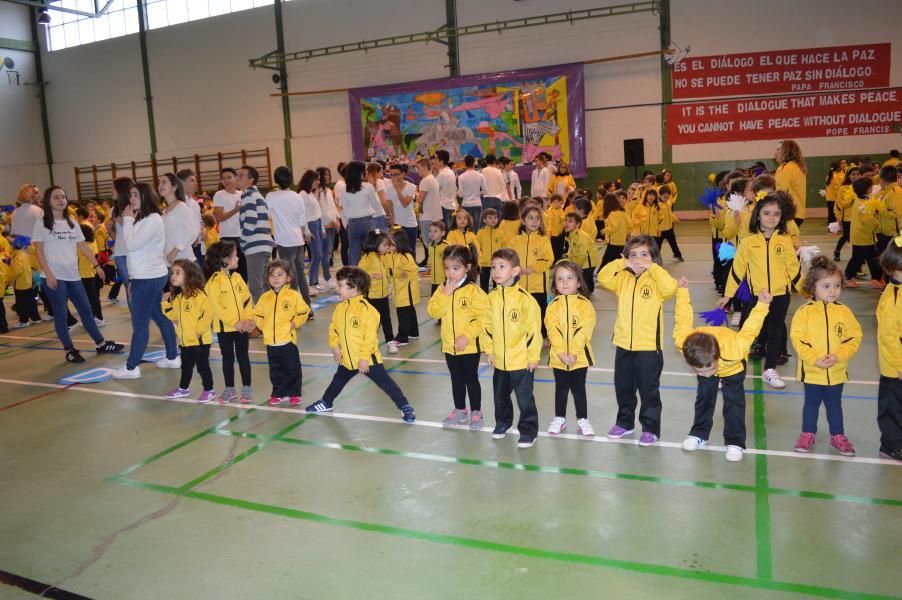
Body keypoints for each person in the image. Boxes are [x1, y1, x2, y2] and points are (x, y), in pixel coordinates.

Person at [674, 277, 771, 462]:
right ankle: (699, 434)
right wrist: (682, 291)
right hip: (710, 355)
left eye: (707, 370)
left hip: (732, 367)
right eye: (697, 371)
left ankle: (735, 442)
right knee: (704, 397)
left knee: (734, 402)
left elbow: (750, 329)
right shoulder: (684, 344)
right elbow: (683, 318)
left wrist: (763, 304)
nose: (705, 374)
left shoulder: (735, 350)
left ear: (715, 359)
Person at [305, 266, 416, 422]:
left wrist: (364, 358)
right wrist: (335, 346)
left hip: (367, 359)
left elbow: (369, 338)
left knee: (386, 383)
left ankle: (404, 406)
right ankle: (326, 402)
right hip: (348, 359)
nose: (337, 289)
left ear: (354, 288)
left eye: (340, 285)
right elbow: (333, 328)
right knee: (337, 381)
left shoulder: (369, 311)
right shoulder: (340, 308)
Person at [597, 235, 677, 446]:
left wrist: (653, 268)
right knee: (623, 387)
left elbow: (670, 288)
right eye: (633, 255)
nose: (638, 259)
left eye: (644, 254)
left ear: (653, 257)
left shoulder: (658, 280)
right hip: (623, 343)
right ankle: (625, 422)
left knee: (648, 389)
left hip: (649, 347)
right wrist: (621, 263)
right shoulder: (622, 278)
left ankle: (650, 427)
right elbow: (603, 277)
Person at [720, 192, 804, 389]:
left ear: (781, 216)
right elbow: (737, 270)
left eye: (776, 214)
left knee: (775, 331)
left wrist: (807, 292)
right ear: (758, 215)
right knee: (745, 333)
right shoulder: (748, 242)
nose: (771, 217)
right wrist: (728, 296)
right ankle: (731, 371)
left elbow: (794, 269)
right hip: (757, 297)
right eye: (767, 213)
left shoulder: (784, 240)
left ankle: (770, 370)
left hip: (781, 295)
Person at [32, 186, 124, 364]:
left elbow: (82, 245)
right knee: (61, 314)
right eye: (56, 197)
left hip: (73, 276)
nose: (61, 199)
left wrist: (97, 265)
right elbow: (39, 252)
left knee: (86, 311)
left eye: (63, 196)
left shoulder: (71, 221)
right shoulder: (41, 222)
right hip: (54, 276)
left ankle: (101, 343)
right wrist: (49, 274)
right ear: (48, 202)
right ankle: (69, 349)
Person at [790, 256, 862, 456]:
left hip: (836, 372)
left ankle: (838, 436)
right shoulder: (804, 313)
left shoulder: (845, 313)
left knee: (834, 405)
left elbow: (854, 337)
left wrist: (839, 356)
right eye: (827, 286)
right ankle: (807, 433)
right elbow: (798, 340)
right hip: (813, 371)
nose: (833, 290)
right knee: (811, 404)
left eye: (837, 285)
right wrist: (815, 359)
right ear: (813, 287)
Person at [482, 248, 542, 448]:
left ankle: (528, 430)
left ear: (515, 271)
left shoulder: (526, 300)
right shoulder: (491, 298)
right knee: (500, 396)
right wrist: (489, 350)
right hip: (500, 360)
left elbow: (534, 332)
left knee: (525, 399)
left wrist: (533, 357)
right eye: (493, 267)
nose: (496, 271)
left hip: (522, 361)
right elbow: (486, 326)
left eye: (502, 266)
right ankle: (503, 422)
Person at [427, 244, 487, 430]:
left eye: (456, 268)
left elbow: (482, 319)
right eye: (447, 268)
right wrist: (445, 295)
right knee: (456, 379)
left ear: (467, 268)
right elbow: (433, 312)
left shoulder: (474, 292)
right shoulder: (442, 289)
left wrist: (466, 336)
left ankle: (476, 411)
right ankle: (460, 410)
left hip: (468, 346)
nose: (450, 273)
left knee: (471, 378)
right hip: (449, 346)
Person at [544, 261, 596, 437]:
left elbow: (584, 331)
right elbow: (552, 331)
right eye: (560, 279)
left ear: (579, 282)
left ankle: (583, 419)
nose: (565, 283)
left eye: (569, 278)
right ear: (555, 284)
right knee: (561, 388)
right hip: (559, 358)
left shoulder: (585, 305)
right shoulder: (552, 307)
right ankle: (560, 418)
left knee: (579, 389)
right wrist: (560, 353)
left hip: (579, 357)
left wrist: (573, 353)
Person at [253, 260, 310, 406]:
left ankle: (294, 392)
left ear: (288, 278)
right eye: (272, 275)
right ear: (267, 278)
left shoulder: (293, 295)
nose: (276, 278)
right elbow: (257, 314)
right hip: (271, 343)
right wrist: (263, 326)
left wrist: (293, 324)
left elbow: (304, 312)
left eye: (280, 274)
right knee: (276, 370)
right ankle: (279, 392)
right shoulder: (265, 298)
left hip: (287, 341)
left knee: (292, 369)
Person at [205, 240, 255, 404]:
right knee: (227, 358)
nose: (238, 259)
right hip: (225, 328)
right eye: (235, 256)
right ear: (225, 260)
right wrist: (235, 323)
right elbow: (217, 307)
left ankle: (247, 387)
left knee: (243, 356)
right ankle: (229, 388)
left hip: (241, 327)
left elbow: (247, 299)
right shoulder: (213, 282)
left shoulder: (237, 277)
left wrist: (247, 320)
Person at [162, 260, 215, 403]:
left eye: (178, 273)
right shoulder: (178, 297)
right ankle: (183, 388)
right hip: (185, 341)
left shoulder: (199, 295)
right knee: (186, 366)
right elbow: (173, 316)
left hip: (200, 341)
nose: (173, 276)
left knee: (202, 367)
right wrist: (165, 303)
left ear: (189, 275)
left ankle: (209, 390)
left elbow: (208, 314)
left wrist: (198, 331)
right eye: (172, 273)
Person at [267, 166, 313, 309]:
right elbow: (302, 221)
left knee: (290, 276)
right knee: (300, 274)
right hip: (298, 241)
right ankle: (307, 308)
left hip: (284, 242)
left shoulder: (271, 197)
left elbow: (266, 216)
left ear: (276, 180)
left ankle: (296, 308)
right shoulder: (297, 196)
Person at [508, 204, 553, 339]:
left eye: (537, 218)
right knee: (522, 311)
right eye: (531, 218)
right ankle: (524, 334)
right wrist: (515, 269)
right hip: (519, 285)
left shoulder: (543, 240)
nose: (534, 221)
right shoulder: (515, 240)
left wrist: (531, 269)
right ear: (523, 221)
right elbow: (508, 258)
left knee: (540, 311)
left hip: (538, 285)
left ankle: (543, 335)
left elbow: (549, 259)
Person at [876, 238, 902, 461]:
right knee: (893, 408)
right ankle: (891, 445)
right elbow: (889, 338)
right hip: (895, 368)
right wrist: (899, 365)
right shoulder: (892, 298)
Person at [237, 165, 274, 301]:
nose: (238, 178)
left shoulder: (248, 195)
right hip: (264, 244)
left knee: (255, 286)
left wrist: (243, 241)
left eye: (242, 175)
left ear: (251, 179)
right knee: (264, 284)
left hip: (255, 245)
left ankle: (262, 317)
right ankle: (270, 315)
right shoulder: (257, 195)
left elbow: (251, 221)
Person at [843, 177, 884, 288]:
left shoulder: (860, 201)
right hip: (864, 237)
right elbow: (869, 221)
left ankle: (848, 277)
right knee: (871, 258)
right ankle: (875, 279)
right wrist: (879, 226)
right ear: (867, 189)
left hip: (859, 236)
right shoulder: (865, 204)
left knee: (859, 258)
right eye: (871, 187)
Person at [342, 160, 382, 266]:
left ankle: (355, 279)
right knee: (372, 251)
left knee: (354, 254)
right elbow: (377, 205)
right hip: (368, 221)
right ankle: (374, 276)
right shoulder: (368, 187)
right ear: (361, 172)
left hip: (353, 223)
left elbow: (344, 212)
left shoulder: (344, 190)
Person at [358, 229, 394, 345]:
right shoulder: (367, 257)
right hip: (371, 296)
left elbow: (387, 269)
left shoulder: (383, 256)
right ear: (375, 244)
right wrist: (372, 275)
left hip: (383, 295)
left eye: (387, 245)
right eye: (384, 245)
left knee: (386, 319)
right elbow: (359, 272)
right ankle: (369, 341)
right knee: (372, 321)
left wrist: (388, 279)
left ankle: (390, 341)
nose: (386, 247)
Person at [387, 228, 420, 353]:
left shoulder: (406, 257)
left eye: (392, 244)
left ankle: (402, 337)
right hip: (400, 290)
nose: (390, 247)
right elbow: (388, 267)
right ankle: (413, 331)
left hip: (406, 292)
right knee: (409, 311)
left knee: (403, 313)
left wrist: (396, 273)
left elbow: (412, 271)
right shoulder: (393, 255)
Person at [213, 167, 245, 280]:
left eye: (229, 177)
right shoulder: (219, 195)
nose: (226, 181)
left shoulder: (242, 193)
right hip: (227, 237)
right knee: (230, 272)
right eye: (223, 178)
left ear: (235, 178)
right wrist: (235, 210)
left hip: (242, 237)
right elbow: (219, 217)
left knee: (243, 271)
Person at [106, 177, 134, 304]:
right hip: (121, 254)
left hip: (135, 253)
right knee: (129, 289)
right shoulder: (113, 210)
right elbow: (117, 239)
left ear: (121, 190)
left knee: (138, 287)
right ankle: (136, 319)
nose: (111, 190)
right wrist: (111, 230)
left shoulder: (134, 207)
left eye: (113, 188)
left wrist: (124, 222)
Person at [160, 173, 197, 265]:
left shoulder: (181, 206)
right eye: (159, 183)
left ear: (174, 187)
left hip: (185, 261)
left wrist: (175, 250)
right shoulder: (164, 212)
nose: (160, 186)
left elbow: (192, 232)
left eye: (164, 182)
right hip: (169, 263)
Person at [298, 169, 325, 294]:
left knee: (319, 254)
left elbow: (317, 211)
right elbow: (303, 214)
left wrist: (322, 227)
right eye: (316, 179)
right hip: (311, 225)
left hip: (318, 224)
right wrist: (307, 231)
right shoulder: (302, 194)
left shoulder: (311, 193)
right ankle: (312, 283)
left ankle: (315, 282)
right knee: (317, 254)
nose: (318, 182)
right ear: (310, 180)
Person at [384, 163, 418, 253]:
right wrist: (392, 223)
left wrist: (397, 188)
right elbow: (389, 206)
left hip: (410, 223)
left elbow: (405, 204)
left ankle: (411, 267)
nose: (393, 177)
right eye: (391, 175)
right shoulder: (388, 188)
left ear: (403, 174)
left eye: (396, 174)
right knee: (397, 250)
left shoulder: (411, 187)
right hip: (397, 223)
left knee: (411, 249)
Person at [563, 211, 600, 293]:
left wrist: (577, 265)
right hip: (585, 260)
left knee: (584, 279)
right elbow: (573, 248)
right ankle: (590, 289)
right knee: (588, 277)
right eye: (566, 220)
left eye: (570, 221)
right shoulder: (571, 234)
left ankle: (585, 295)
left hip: (588, 261)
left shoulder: (580, 236)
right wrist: (569, 257)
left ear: (577, 225)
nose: (566, 223)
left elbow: (582, 254)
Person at [774, 139, 807, 226]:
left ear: (786, 151)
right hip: (798, 213)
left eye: (778, 150)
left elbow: (779, 192)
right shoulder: (797, 166)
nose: (775, 153)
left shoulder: (786, 167)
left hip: (788, 214)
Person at [77, 223, 104, 326]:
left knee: (92, 298)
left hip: (86, 275)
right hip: (89, 274)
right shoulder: (92, 243)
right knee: (92, 298)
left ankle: (99, 318)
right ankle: (94, 317)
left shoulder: (82, 246)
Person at [176, 168, 205, 268]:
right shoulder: (177, 204)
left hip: (198, 247)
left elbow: (199, 223)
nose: (195, 183)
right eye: (192, 180)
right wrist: (192, 239)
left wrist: (202, 230)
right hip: (184, 249)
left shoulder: (195, 203)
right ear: (181, 183)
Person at [10, 236, 40, 327]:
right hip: (28, 282)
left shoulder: (17, 256)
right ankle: (36, 318)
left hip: (20, 283)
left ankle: (24, 321)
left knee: (21, 303)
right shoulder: (25, 255)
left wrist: (10, 279)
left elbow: (16, 271)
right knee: (31, 301)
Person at [416, 158, 442, 263]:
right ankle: (429, 259)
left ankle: (431, 260)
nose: (417, 170)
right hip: (434, 215)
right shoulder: (432, 179)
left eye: (418, 168)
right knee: (434, 241)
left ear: (424, 167)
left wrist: (414, 194)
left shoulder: (425, 180)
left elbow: (420, 199)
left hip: (427, 216)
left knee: (428, 241)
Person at [316, 166, 340, 280]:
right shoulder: (318, 191)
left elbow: (332, 207)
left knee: (329, 252)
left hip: (332, 224)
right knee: (325, 253)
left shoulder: (329, 190)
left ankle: (328, 277)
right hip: (325, 225)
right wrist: (332, 221)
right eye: (325, 174)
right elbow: (322, 209)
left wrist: (337, 219)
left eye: (329, 174)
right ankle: (327, 278)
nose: (328, 176)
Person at [476, 208, 503, 292]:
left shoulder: (500, 232)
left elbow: (503, 246)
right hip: (484, 263)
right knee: (484, 283)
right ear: (484, 220)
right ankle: (484, 300)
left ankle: (496, 299)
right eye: (490, 218)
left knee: (497, 283)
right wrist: (480, 259)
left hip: (497, 263)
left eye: (495, 217)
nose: (493, 220)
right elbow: (477, 247)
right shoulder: (480, 232)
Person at [600, 192, 629, 267]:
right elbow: (630, 224)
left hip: (614, 241)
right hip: (622, 241)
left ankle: (601, 273)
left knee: (607, 259)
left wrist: (604, 230)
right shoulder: (622, 212)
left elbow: (614, 227)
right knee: (618, 260)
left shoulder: (612, 213)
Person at [657, 184, 683, 262]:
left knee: (673, 243)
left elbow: (670, 213)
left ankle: (677, 255)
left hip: (669, 228)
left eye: (668, 197)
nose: (666, 199)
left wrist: (675, 219)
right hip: (660, 230)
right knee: (658, 246)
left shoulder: (668, 203)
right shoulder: (657, 205)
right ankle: (656, 259)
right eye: (664, 197)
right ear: (660, 195)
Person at [457, 154, 485, 227]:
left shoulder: (461, 177)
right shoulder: (480, 176)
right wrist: (477, 194)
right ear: (474, 163)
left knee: (466, 226)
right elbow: (485, 191)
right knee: (477, 227)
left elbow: (460, 194)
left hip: (466, 204)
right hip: (477, 204)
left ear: (465, 164)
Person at [434, 150, 458, 229]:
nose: (435, 161)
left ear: (442, 161)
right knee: (449, 230)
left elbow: (434, 190)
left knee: (445, 231)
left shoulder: (442, 174)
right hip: (451, 204)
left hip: (444, 206)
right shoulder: (450, 172)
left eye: (436, 159)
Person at [425, 220, 448, 298]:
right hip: (434, 280)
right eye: (430, 231)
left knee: (444, 300)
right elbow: (430, 258)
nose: (432, 233)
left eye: (435, 231)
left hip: (444, 280)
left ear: (442, 233)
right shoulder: (430, 246)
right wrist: (429, 265)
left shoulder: (446, 246)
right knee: (434, 300)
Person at [366, 162, 392, 230]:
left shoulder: (364, 183)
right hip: (379, 216)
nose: (382, 175)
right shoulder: (379, 182)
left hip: (368, 217)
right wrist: (389, 214)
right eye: (380, 172)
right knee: (382, 239)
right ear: (375, 172)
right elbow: (383, 201)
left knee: (373, 239)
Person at [480, 154, 506, 218]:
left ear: (486, 161)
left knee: (487, 220)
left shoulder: (483, 170)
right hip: (498, 198)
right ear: (494, 161)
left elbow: (481, 184)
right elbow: (503, 186)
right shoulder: (499, 171)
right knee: (497, 220)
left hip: (487, 198)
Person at [545, 194, 565, 261]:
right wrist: (549, 234)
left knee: (560, 247)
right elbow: (549, 223)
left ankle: (559, 258)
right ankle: (554, 261)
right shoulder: (551, 211)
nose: (556, 203)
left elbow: (562, 221)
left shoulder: (560, 210)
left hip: (561, 233)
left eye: (558, 202)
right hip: (553, 234)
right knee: (554, 249)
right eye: (554, 202)